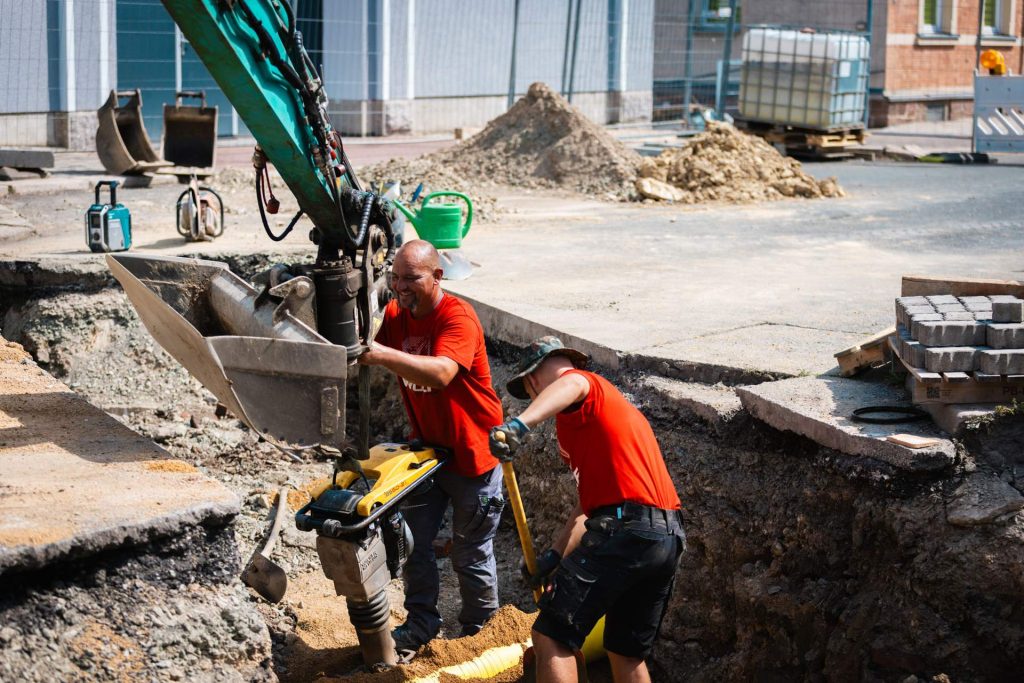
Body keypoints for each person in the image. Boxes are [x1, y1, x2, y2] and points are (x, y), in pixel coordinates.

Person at [489, 336, 684, 683]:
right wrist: (555, 554)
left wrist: (519, 425)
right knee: (625, 653)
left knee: (551, 636)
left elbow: (572, 382)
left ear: (532, 381)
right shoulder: (587, 423)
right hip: (664, 537)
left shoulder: (588, 386)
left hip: (627, 532)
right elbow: (588, 506)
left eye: (532, 391)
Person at [358, 240, 505, 654]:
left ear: (437, 276)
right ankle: (421, 624)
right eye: (396, 278)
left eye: (412, 279)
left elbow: (442, 373)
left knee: (471, 553)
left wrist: (380, 353)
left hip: (473, 456)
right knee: (412, 545)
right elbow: (362, 346)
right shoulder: (396, 316)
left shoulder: (457, 317)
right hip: (428, 455)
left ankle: (482, 633)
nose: (401, 287)